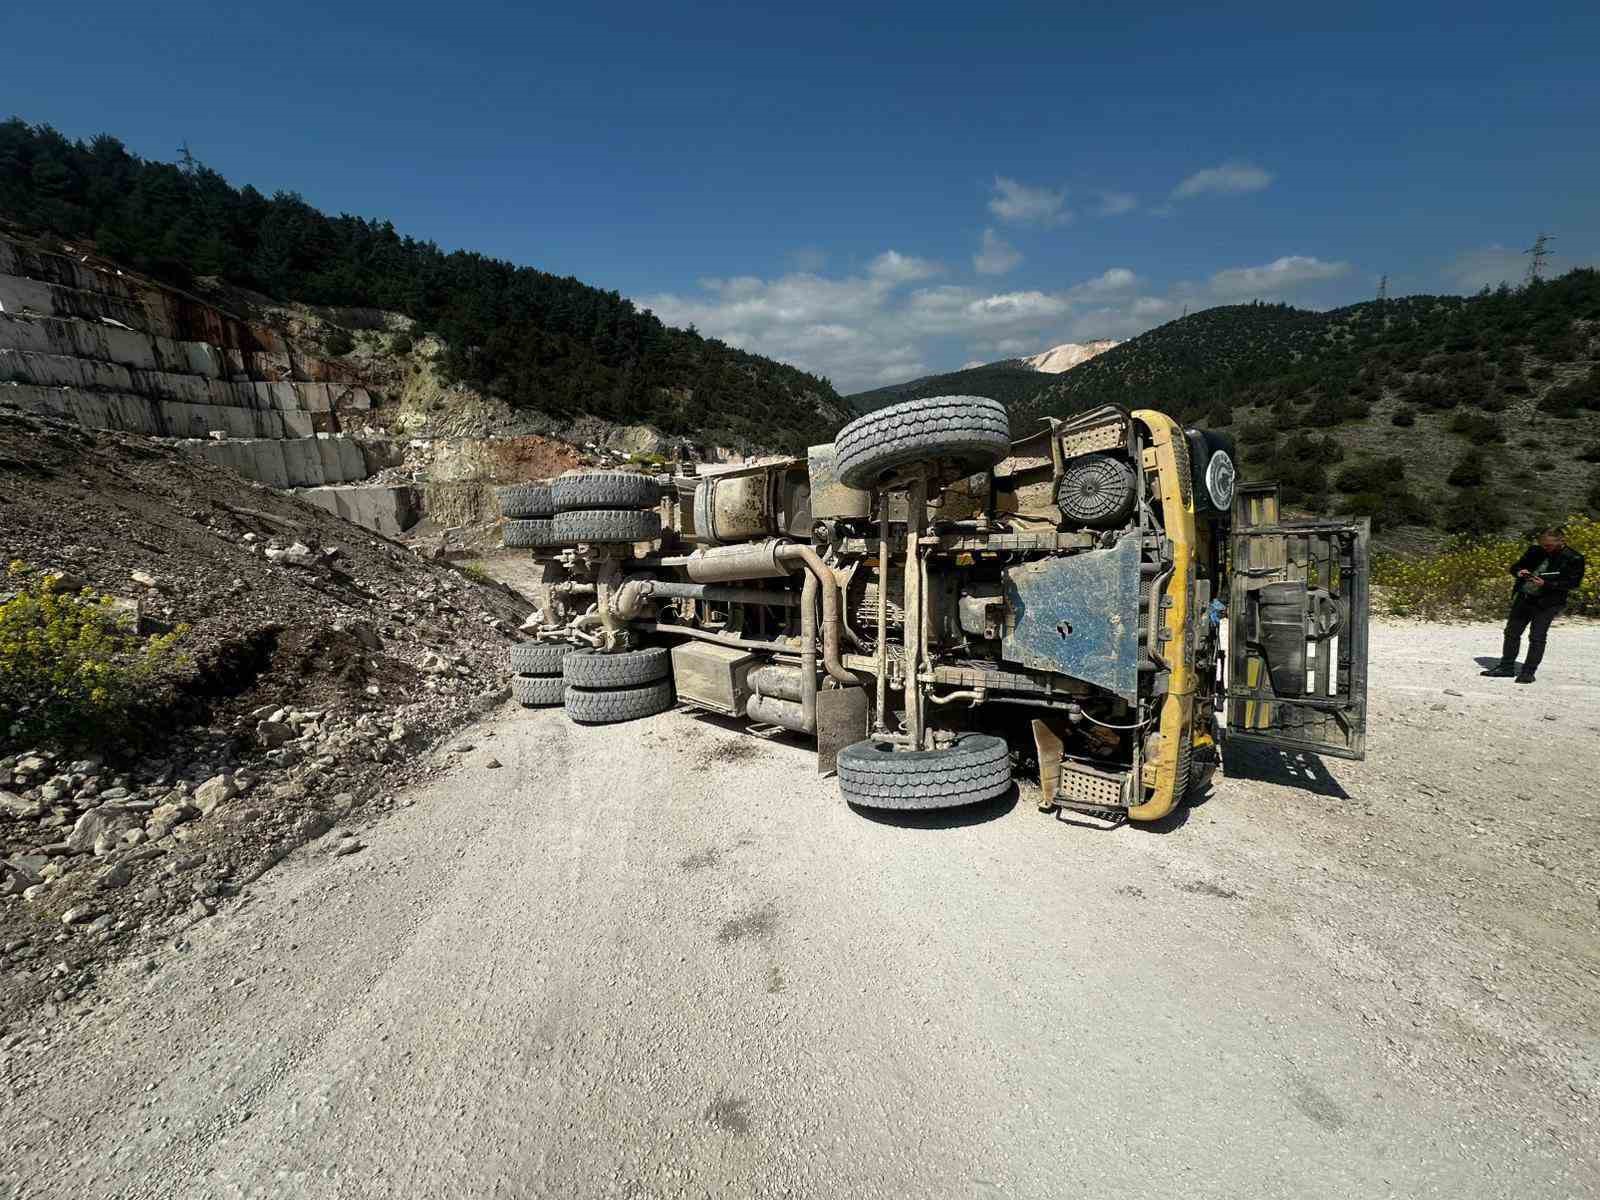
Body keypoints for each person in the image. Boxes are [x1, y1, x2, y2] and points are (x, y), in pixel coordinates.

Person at [1481, 526, 1586, 684]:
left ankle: (1528, 672)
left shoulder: (1574, 558)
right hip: (1525, 596)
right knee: (1511, 632)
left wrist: (1546, 584)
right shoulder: (1535, 551)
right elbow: (1515, 567)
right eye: (1543, 544)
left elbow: (1573, 583)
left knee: (1537, 636)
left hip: (1548, 602)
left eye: (1549, 545)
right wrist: (1519, 572)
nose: (1545, 548)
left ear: (1561, 541)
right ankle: (1506, 667)